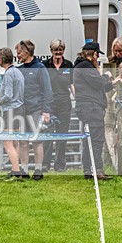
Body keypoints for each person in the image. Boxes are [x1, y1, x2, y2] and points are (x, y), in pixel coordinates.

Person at [73, 41, 113, 180]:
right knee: (96, 139)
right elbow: (99, 82)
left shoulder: (82, 66)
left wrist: (112, 84)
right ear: (93, 54)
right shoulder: (85, 66)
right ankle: (97, 169)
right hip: (91, 107)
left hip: (88, 106)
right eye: (97, 54)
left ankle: (88, 170)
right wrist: (107, 75)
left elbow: (97, 87)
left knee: (89, 139)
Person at [15, 40, 53, 181]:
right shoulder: (19, 69)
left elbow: (47, 90)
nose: (17, 55)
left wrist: (46, 111)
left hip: (37, 110)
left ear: (27, 52)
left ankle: (38, 170)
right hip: (22, 111)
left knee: (37, 141)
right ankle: (24, 170)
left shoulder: (40, 68)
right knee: (23, 141)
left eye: (19, 52)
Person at [0, 47, 26, 180]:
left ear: (0, 59)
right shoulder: (18, 72)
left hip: (11, 110)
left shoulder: (9, 74)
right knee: (15, 142)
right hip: (19, 109)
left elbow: (8, 95)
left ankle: (16, 172)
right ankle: (15, 169)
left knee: (7, 142)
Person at [43, 39, 74, 172]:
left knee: (62, 135)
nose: (58, 52)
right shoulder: (45, 65)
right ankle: (45, 164)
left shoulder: (69, 65)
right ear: (51, 51)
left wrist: (77, 98)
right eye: (55, 50)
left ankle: (60, 164)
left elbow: (72, 84)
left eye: (60, 50)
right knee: (48, 134)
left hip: (64, 103)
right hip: (50, 104)